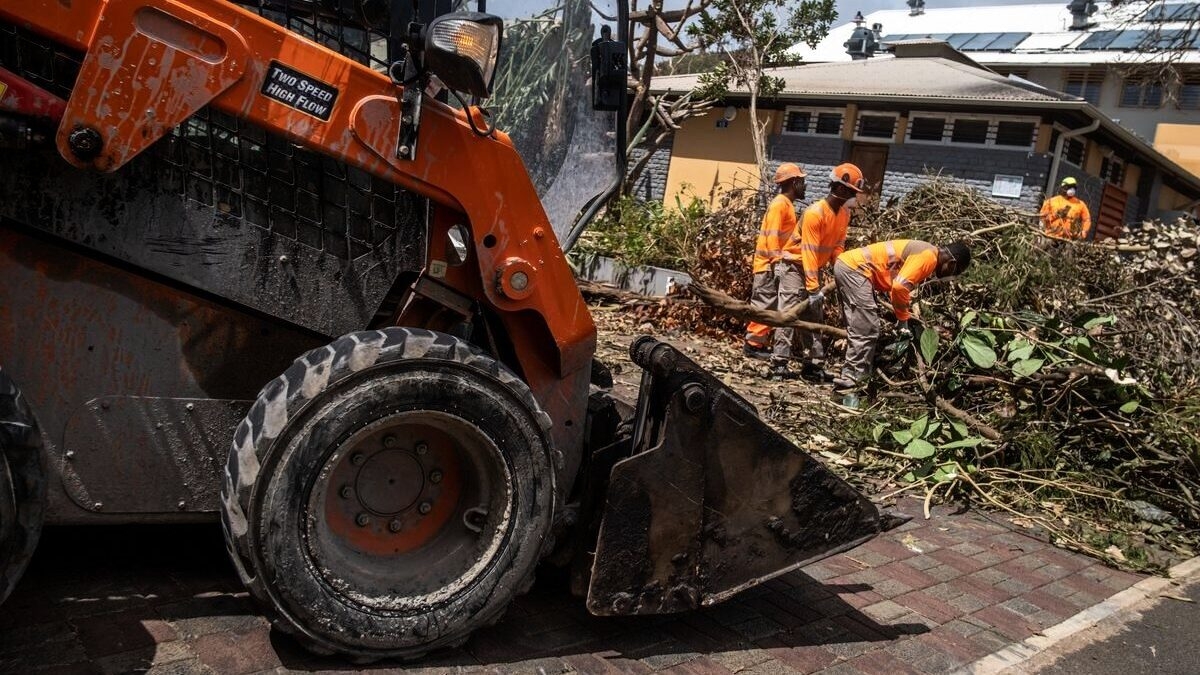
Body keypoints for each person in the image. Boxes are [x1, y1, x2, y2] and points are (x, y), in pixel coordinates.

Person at [831, 239, 971, 391]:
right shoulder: (929, 258)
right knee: (867, 328)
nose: (950, 276)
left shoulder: (928, 252)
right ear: (951, 263)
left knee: (859, 326)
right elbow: (899, 287)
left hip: (848, 266)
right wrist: (903, 319)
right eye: (955, 272)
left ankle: (854, 375)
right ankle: (853, 379)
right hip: (856, 270)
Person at [778, 163, 866, 381]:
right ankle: (778, 363)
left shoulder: (844, 214)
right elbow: (809, 251)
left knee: (814, 318)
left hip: (813, 269)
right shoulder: (815, 213)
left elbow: (838, 246)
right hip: (794, 267)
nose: (854, 197)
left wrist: (842, 271)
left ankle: (813, 366)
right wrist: (812, 288)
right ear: (841, 189)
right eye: (853, 193)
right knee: (788, 314)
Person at [744, 163, 807, 375]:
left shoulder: (786, 204)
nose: (804, 186)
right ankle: (753, 346)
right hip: (768, 265)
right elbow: (772, 235)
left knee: (768, 306)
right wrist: (775, 263)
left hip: (771, 264)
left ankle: (757, 344)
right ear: (793, 183)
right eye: (802, 181)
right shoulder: (780, 204)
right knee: (763, 305)